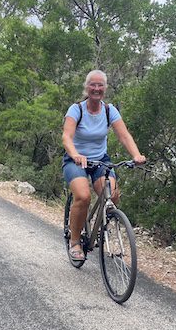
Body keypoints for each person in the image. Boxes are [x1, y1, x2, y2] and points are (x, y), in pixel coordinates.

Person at [62, 70, 146, 261]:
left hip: (100, 160)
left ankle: (100, 229)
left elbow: (124, 135)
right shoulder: (77, 110)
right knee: (83, 196)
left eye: (100, 85)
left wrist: (136, 155)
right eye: (93, 84)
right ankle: (75, 241)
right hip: (75, 160)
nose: (96, 89)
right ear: (87, 87)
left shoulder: (109, 110)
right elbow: (67, 137)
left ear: (105, 88)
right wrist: (75, 154)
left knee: (112, 195)